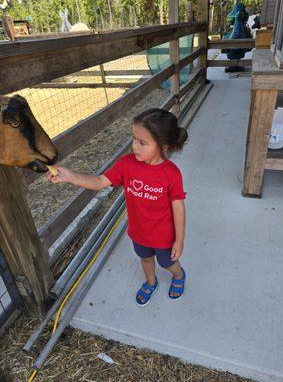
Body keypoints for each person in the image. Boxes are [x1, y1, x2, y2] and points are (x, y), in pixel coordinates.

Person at [47, 108, 188, 307]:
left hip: (164, 235)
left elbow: (178, 207)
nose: (134, 146)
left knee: (167, 262)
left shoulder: (171, 174)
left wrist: (179, 240)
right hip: (139, 232)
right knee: (145, 259)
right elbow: (99, 181)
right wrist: (71, 176)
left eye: (142, 142)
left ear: (164, 147)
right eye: (134, 138)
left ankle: (179, 275)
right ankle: (150, 282)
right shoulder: (126, 164)